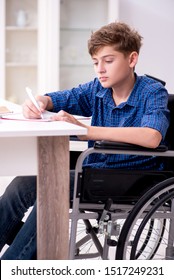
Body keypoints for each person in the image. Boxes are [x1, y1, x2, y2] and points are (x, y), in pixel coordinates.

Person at [0, 22, 170, 259]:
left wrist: (88, 131)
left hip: (132, 177)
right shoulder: (96, 90)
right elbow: (60, 98)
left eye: (108, 61)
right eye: (95, 62)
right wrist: (40, 101)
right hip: (95, 170)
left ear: (132, 59)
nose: (100, 69)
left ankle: (11, 265)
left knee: (51, 187)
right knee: (22, 184)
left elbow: (152, 136)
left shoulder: (152, 92)